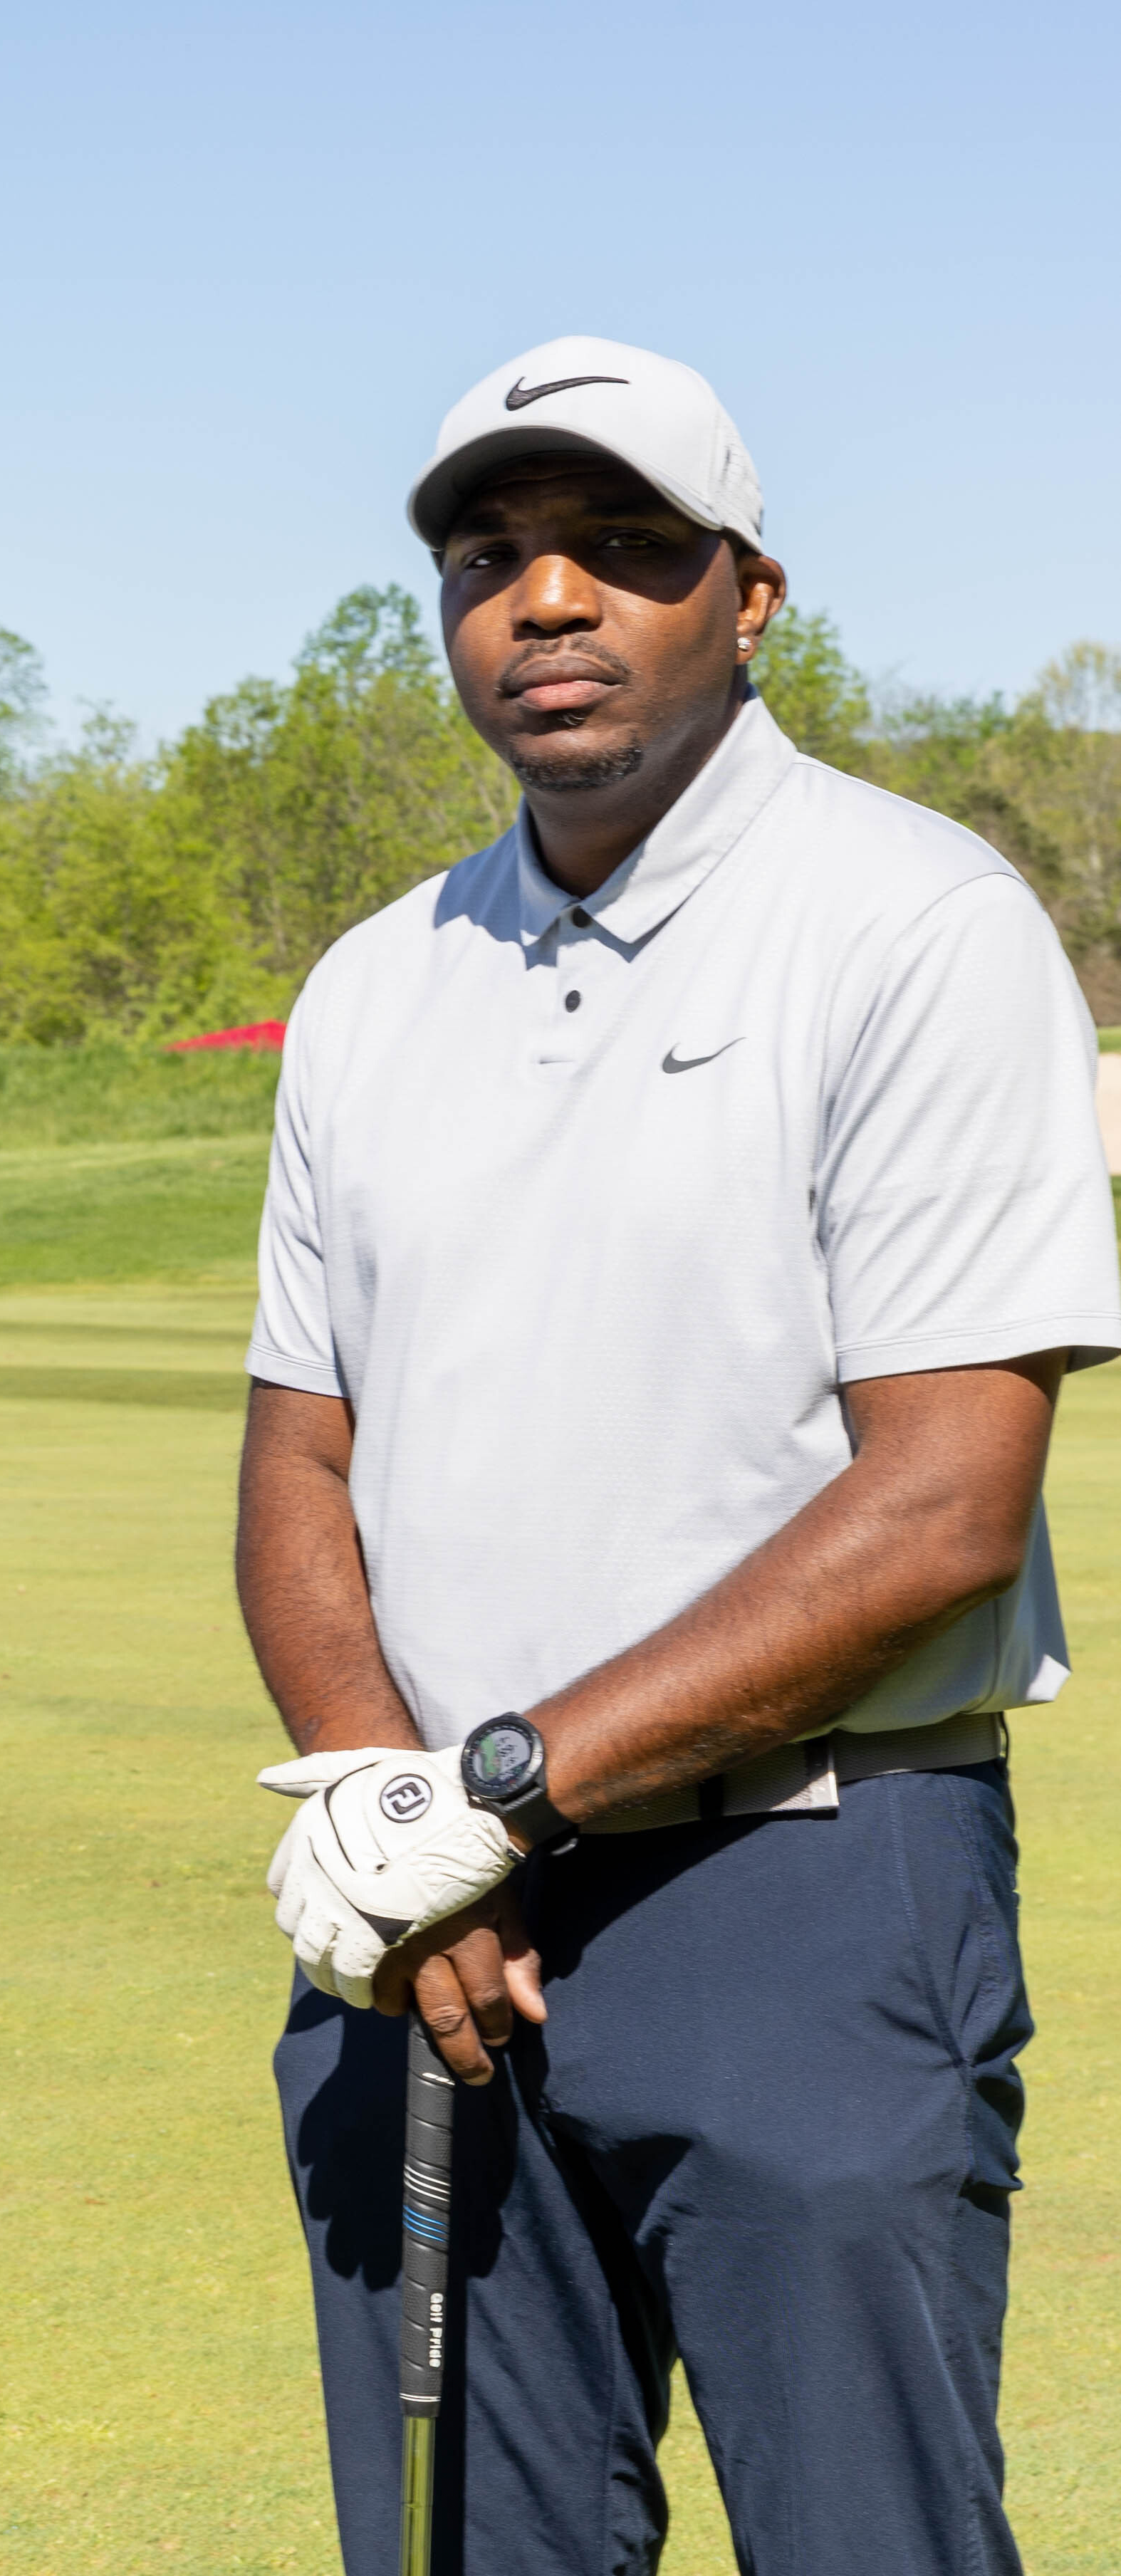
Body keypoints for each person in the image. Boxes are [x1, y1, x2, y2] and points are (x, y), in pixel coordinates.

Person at [241, 337, 1117, 2575]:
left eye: (619, 547)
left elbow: (939, 1506)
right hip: (429, 1912)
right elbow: (297, 1461)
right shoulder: (369, 984)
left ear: (747, 596)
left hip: (799, 1879)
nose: (542, 599)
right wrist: (391, 1803)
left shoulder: (913, 923)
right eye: (486, 556)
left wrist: (495, 1789)